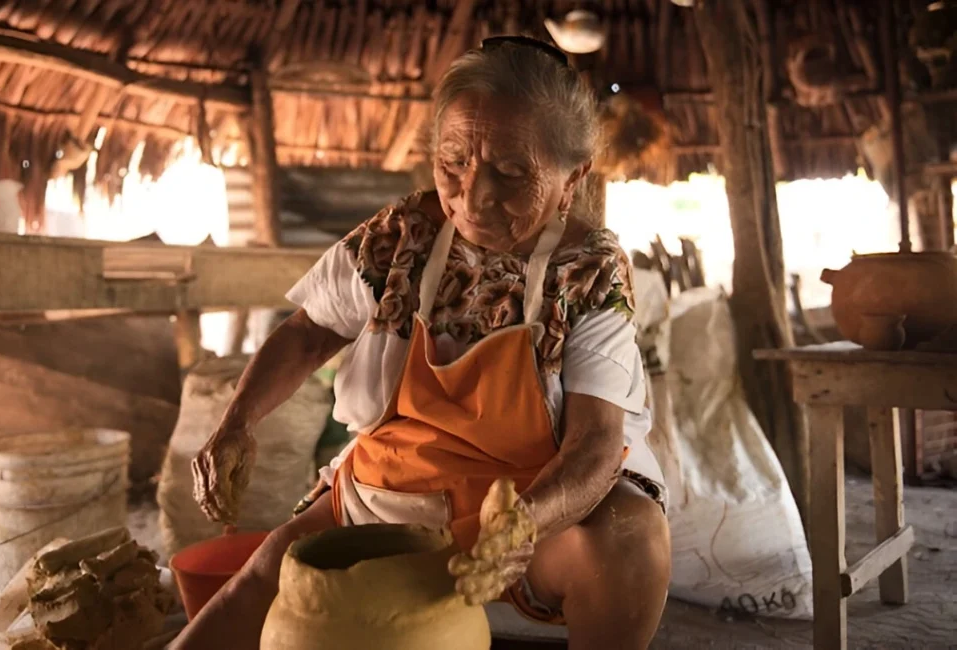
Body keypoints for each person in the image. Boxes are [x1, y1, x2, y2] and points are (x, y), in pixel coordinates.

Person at [174, 36, 670, 650]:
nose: (474, 195)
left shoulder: (587, 269)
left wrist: (522, 525)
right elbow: (306, 335)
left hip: (526, 510)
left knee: (631, 538)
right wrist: (236, 424)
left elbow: (596, 443)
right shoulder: (402, 235)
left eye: (511, 173)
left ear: (572, 181)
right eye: (453, 163)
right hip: (391, 495)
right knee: (270, 570)